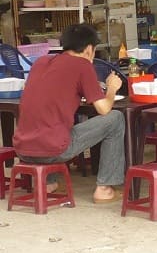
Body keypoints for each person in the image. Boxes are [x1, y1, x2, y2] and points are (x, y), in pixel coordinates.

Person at [13, 23, 125, 203]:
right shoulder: (82, 65)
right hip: (52, 149)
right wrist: (111, 88)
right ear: (89, 49)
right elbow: (103, 108)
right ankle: (104, 189)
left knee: (51, 123)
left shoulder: (41, 62)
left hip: (23, 149)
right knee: (115, 118)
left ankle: (48, 183)